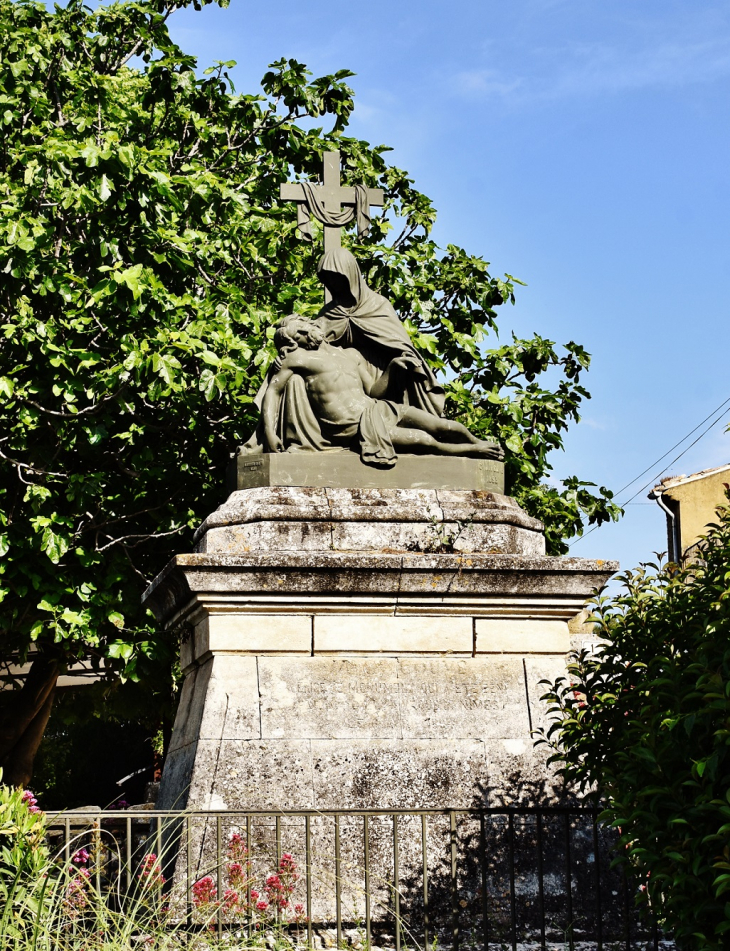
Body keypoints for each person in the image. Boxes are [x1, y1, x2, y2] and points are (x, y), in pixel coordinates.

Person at [263, 316, 502, 469]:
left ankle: (477, 441)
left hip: (377, 408)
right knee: (423, 440)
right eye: (297, 336)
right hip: (353, 424)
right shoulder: (297, 359)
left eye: (302, 329)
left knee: (442, 426)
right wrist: (270, 433)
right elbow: (272, 393)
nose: (304, 336)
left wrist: (392, 368)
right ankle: (472, 451)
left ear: (310, 325)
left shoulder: (350, 354)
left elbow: (375, 391)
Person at [314, 247, 444, 417]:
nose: (332, 282)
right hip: (347, 379)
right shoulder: (329, 313)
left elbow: (400, 344)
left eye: (336, 277)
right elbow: (312, 340)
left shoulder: (377, 305)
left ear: (350, 274)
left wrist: (401, 361)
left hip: (383, 373)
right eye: (328, 278)